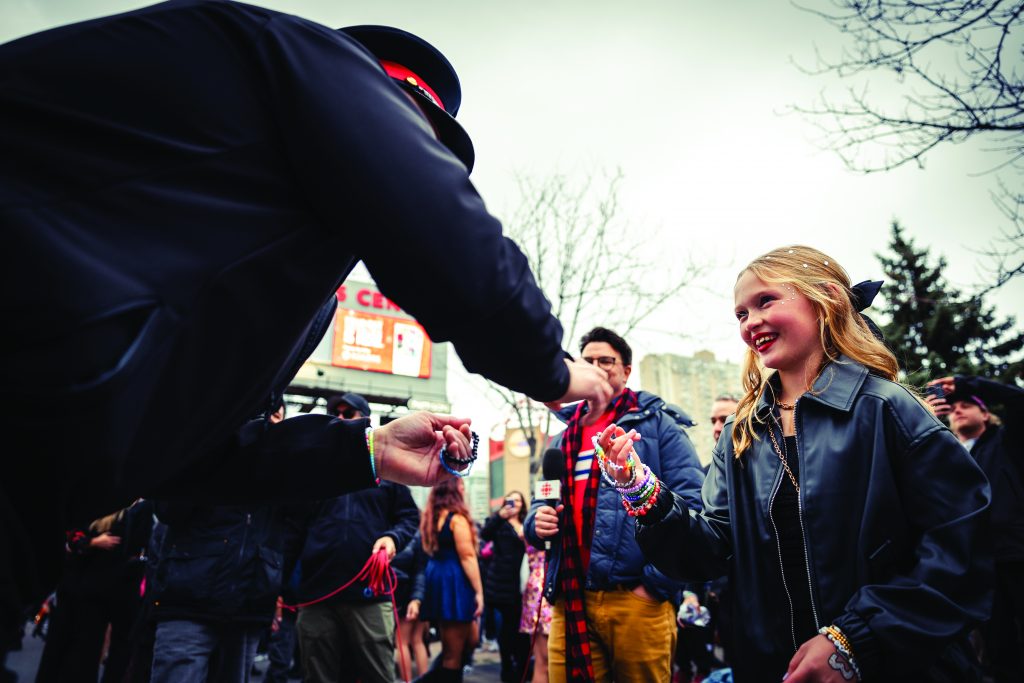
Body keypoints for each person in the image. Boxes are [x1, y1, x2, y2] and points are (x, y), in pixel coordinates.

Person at [0, 0, 613, 645]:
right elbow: (451, 240)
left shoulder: (288, 279)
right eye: (417, 145)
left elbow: (202, 456)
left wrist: (367, 449)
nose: (419, 165)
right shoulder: (309, 59)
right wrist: (549, 368)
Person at [597, 245, 993, 683]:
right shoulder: (741, 432)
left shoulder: (886, 408)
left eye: (765, 301)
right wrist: (642, 490)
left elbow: (960, 549)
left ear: (827, 299)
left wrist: (856, 639)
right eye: (741, 314)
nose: (750, 322)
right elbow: (710, 550)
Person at [526, 326, 706, 682]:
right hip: (570, 598)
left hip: (638, 600)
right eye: (587, 361)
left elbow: (693, 504)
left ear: (626, 371)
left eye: (606, 361)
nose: (595, 368)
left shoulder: (659, 426)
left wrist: (654, 586)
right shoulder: (561, 439)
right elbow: (540, 501)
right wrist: (536, 520)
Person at [926, 375, 1024, 683]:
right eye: (953, 408)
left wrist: (967, 385)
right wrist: (924, 417)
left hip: (1015, 552)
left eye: (967, 405)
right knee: (997, 647)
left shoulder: (1005, 441)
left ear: (985, 414)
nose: (957, 409)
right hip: (976, 565)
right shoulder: (946, 451)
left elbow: (1019, 400)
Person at [288, 479, 420, 682]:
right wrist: (281, 590)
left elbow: (409, 516)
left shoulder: (386, 470)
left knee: (378, 677)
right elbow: (292, 532)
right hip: (316, 596)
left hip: (371, 594)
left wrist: (393, 538)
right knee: (318, 677)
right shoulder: (313, 471)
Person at [35, 500, 154, 683]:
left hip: (86, 586)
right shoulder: (139, 511)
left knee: (80, 646)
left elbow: (72, 539)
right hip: (112, 587)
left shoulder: (96, 509)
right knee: (113, 645)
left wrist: (91, 543)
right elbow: (139, 542)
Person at [419, 478, 483, 683]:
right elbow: (468, 557)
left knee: (462, 640)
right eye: (461, 485)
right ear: (453, 490)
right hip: (454, 581)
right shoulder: (456, 518)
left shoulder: (432, 516)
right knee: (453, 654)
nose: (464, 489)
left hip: (439, 577)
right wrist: (479, 592)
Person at [480, 491, 530, 683]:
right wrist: (499, 517)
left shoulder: (526, 522)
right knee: (508, 627)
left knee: (521, 628)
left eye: (518, 500)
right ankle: (508, 667)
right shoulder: (499, 523)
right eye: (511, 500)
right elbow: (485, 534)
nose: (515, 503)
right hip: (503, 584)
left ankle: (521, 665)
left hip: (523, 581)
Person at [393, 532, 431, 680]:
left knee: (401, 642)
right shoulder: (418, 534)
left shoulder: (394, 535)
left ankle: (407, 680)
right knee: (417, 640)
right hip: (420, 591)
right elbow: (421, 568)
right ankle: (424, 680)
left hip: (405, 594)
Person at [519, 544, 553, 683]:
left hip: (536, 588)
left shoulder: (528, 533)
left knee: (542, 663)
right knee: (545, 663)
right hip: (548, 589)